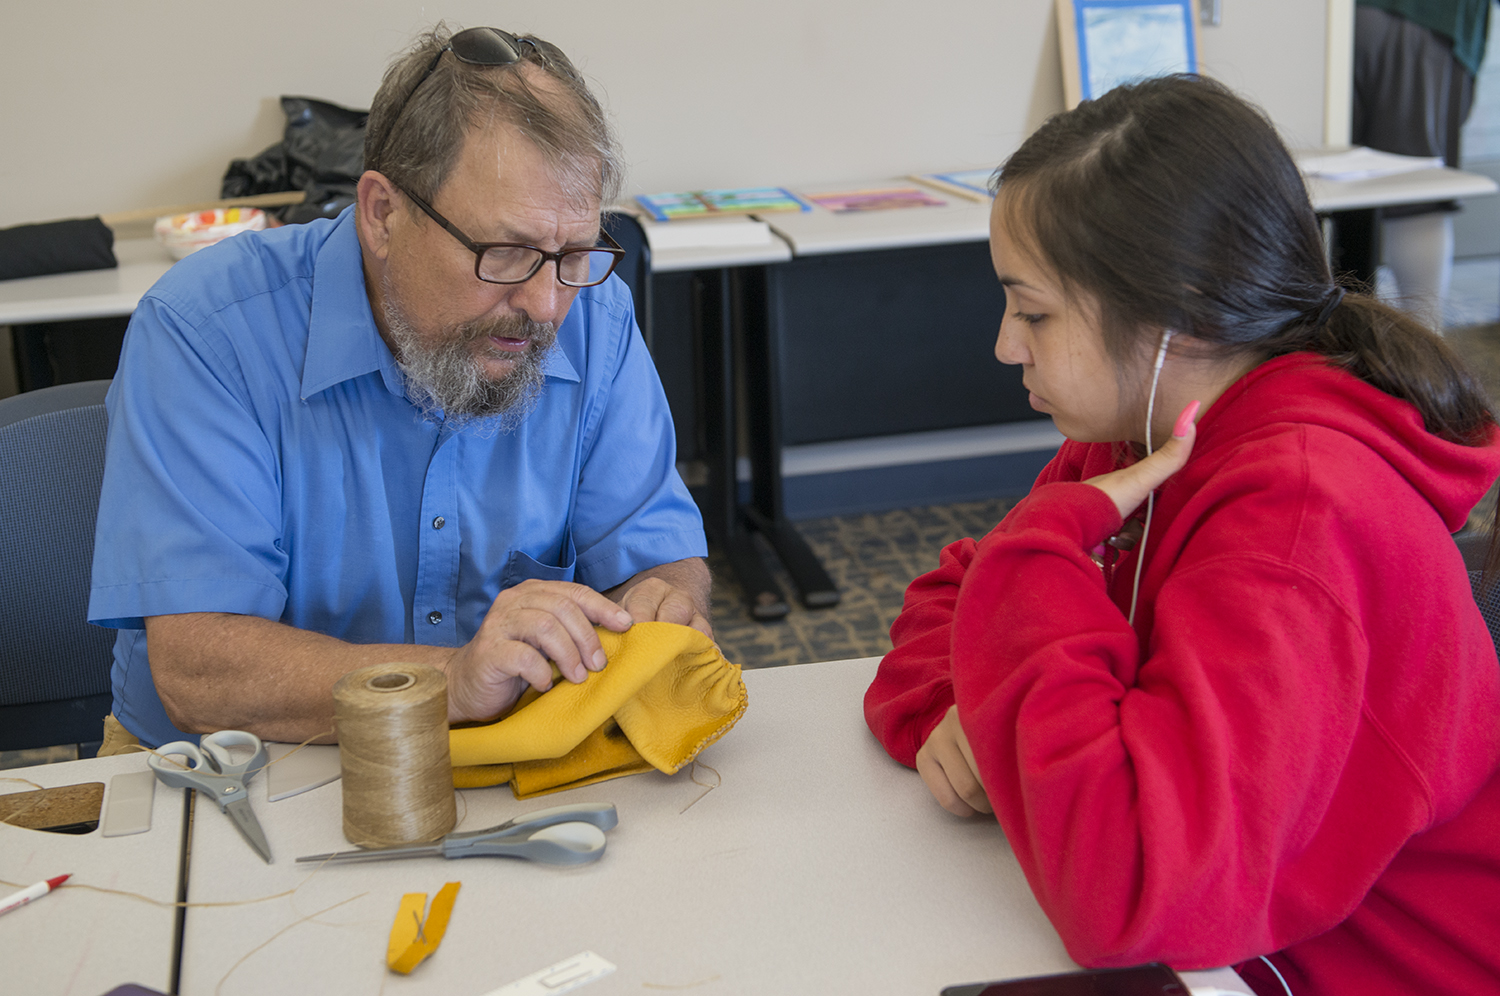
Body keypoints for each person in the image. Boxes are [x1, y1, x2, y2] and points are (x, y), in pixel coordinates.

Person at [864, 76, 1500, 996]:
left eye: (1034, 311)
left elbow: (1133, 897)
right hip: (1244, 949)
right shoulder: (1144, 438)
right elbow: (954, 604)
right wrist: (963, 726)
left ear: (1176, 315)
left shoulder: (1298, 520)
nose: (1007, 346)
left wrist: (1033, 580)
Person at [88, 26, 711, 750]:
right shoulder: (206, 332)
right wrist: (450, 681)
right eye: (505, 253)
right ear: (382, 213)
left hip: (503, 752)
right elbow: (201, 670)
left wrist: (660, 600)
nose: (547, 307)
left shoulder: (594, 316)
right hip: (234, 770)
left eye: (573, 254)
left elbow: (656, 553)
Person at [1352, 0, 1495, 330]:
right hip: (1420, 17)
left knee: (1332, 180)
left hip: (1328, 21)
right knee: (1414, 188)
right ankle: (1424, 354)